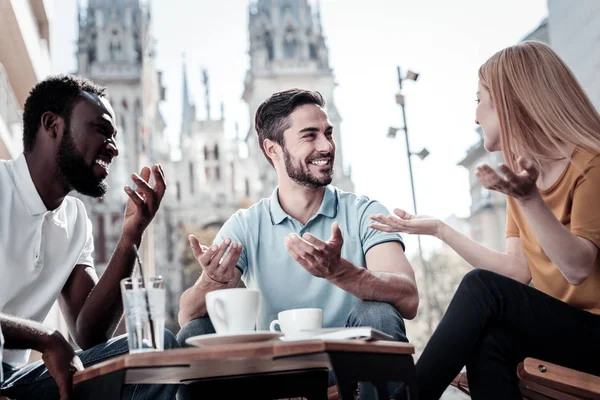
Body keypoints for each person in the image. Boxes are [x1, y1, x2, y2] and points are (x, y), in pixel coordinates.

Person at [369, 40, 600, 400]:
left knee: (480, 287)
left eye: (479, 99)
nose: (475, 115)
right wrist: (439, 230)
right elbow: (516, 271)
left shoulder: (591, 164)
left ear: (512, 103)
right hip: (570, 332)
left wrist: (529, 199)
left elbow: (577, 268)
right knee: (489, 341)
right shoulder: (524, 179)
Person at [177, 88, 419, 399]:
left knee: (378, 314)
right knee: (196, 331)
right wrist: (211, 282)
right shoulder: (245, 224)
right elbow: (187, 317)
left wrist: (341, 273)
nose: (327, 146)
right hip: (272, 377)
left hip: (352, 373)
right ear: (273, 149)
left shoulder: (365, 212)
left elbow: (409, 299)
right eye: (310, 135)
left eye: (328, 133)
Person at [0, 75, 179, 400]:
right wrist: (46, 339)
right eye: (101, 130)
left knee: (158, 350)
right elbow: (58, 339)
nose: (113, 148)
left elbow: (90, 333)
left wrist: (130, 237)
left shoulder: (74, 219)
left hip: (11, 382)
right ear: (52, 125)